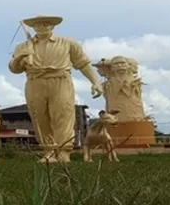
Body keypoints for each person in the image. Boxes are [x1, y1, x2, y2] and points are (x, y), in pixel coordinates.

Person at [8, 15, 103, 163]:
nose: (42, 27)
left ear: (53, 26)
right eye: (38, 25)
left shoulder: (67, 43)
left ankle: (64, 151)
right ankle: (49, 151)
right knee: (39, 116)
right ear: (33, 27)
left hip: (60, 80)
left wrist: (95, 82)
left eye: (46, 24)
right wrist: (20, 57)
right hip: (35, 81)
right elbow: (15, 69)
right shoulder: (23, 46)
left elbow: (83, 64)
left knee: (63, 114)